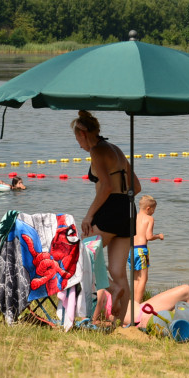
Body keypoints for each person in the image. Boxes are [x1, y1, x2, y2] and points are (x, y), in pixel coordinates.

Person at [73, 109, 140, 325]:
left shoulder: (97, 151)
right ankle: (123, 324)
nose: (78, 144)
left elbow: (106, 187)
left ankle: (112, 288)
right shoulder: (116, 149)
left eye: (77, 139)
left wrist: (88, 216)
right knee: (118, 271)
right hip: (128, 209)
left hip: (109, 210)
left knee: (81, 255)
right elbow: (136, 187)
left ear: (83, 134)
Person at [130, 195, 164, 306]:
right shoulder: (149, 219)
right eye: (154, 209)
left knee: (135, 278)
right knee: (143, 278)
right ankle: (138, 304)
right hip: (141, 250)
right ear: (148, 208)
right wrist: (158, 236)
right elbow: (149, 237)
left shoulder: (133, 216)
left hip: (130, 250)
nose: (154, 212)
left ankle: (133, 302)